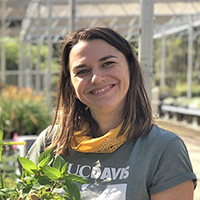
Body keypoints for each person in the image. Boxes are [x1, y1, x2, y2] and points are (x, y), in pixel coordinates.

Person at [27, 27, 197, 200]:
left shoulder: (163, 149)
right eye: (82, 71)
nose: (96, 78)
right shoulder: (51, 142)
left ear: (130, 66)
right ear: (70, 83)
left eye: (107, 63)